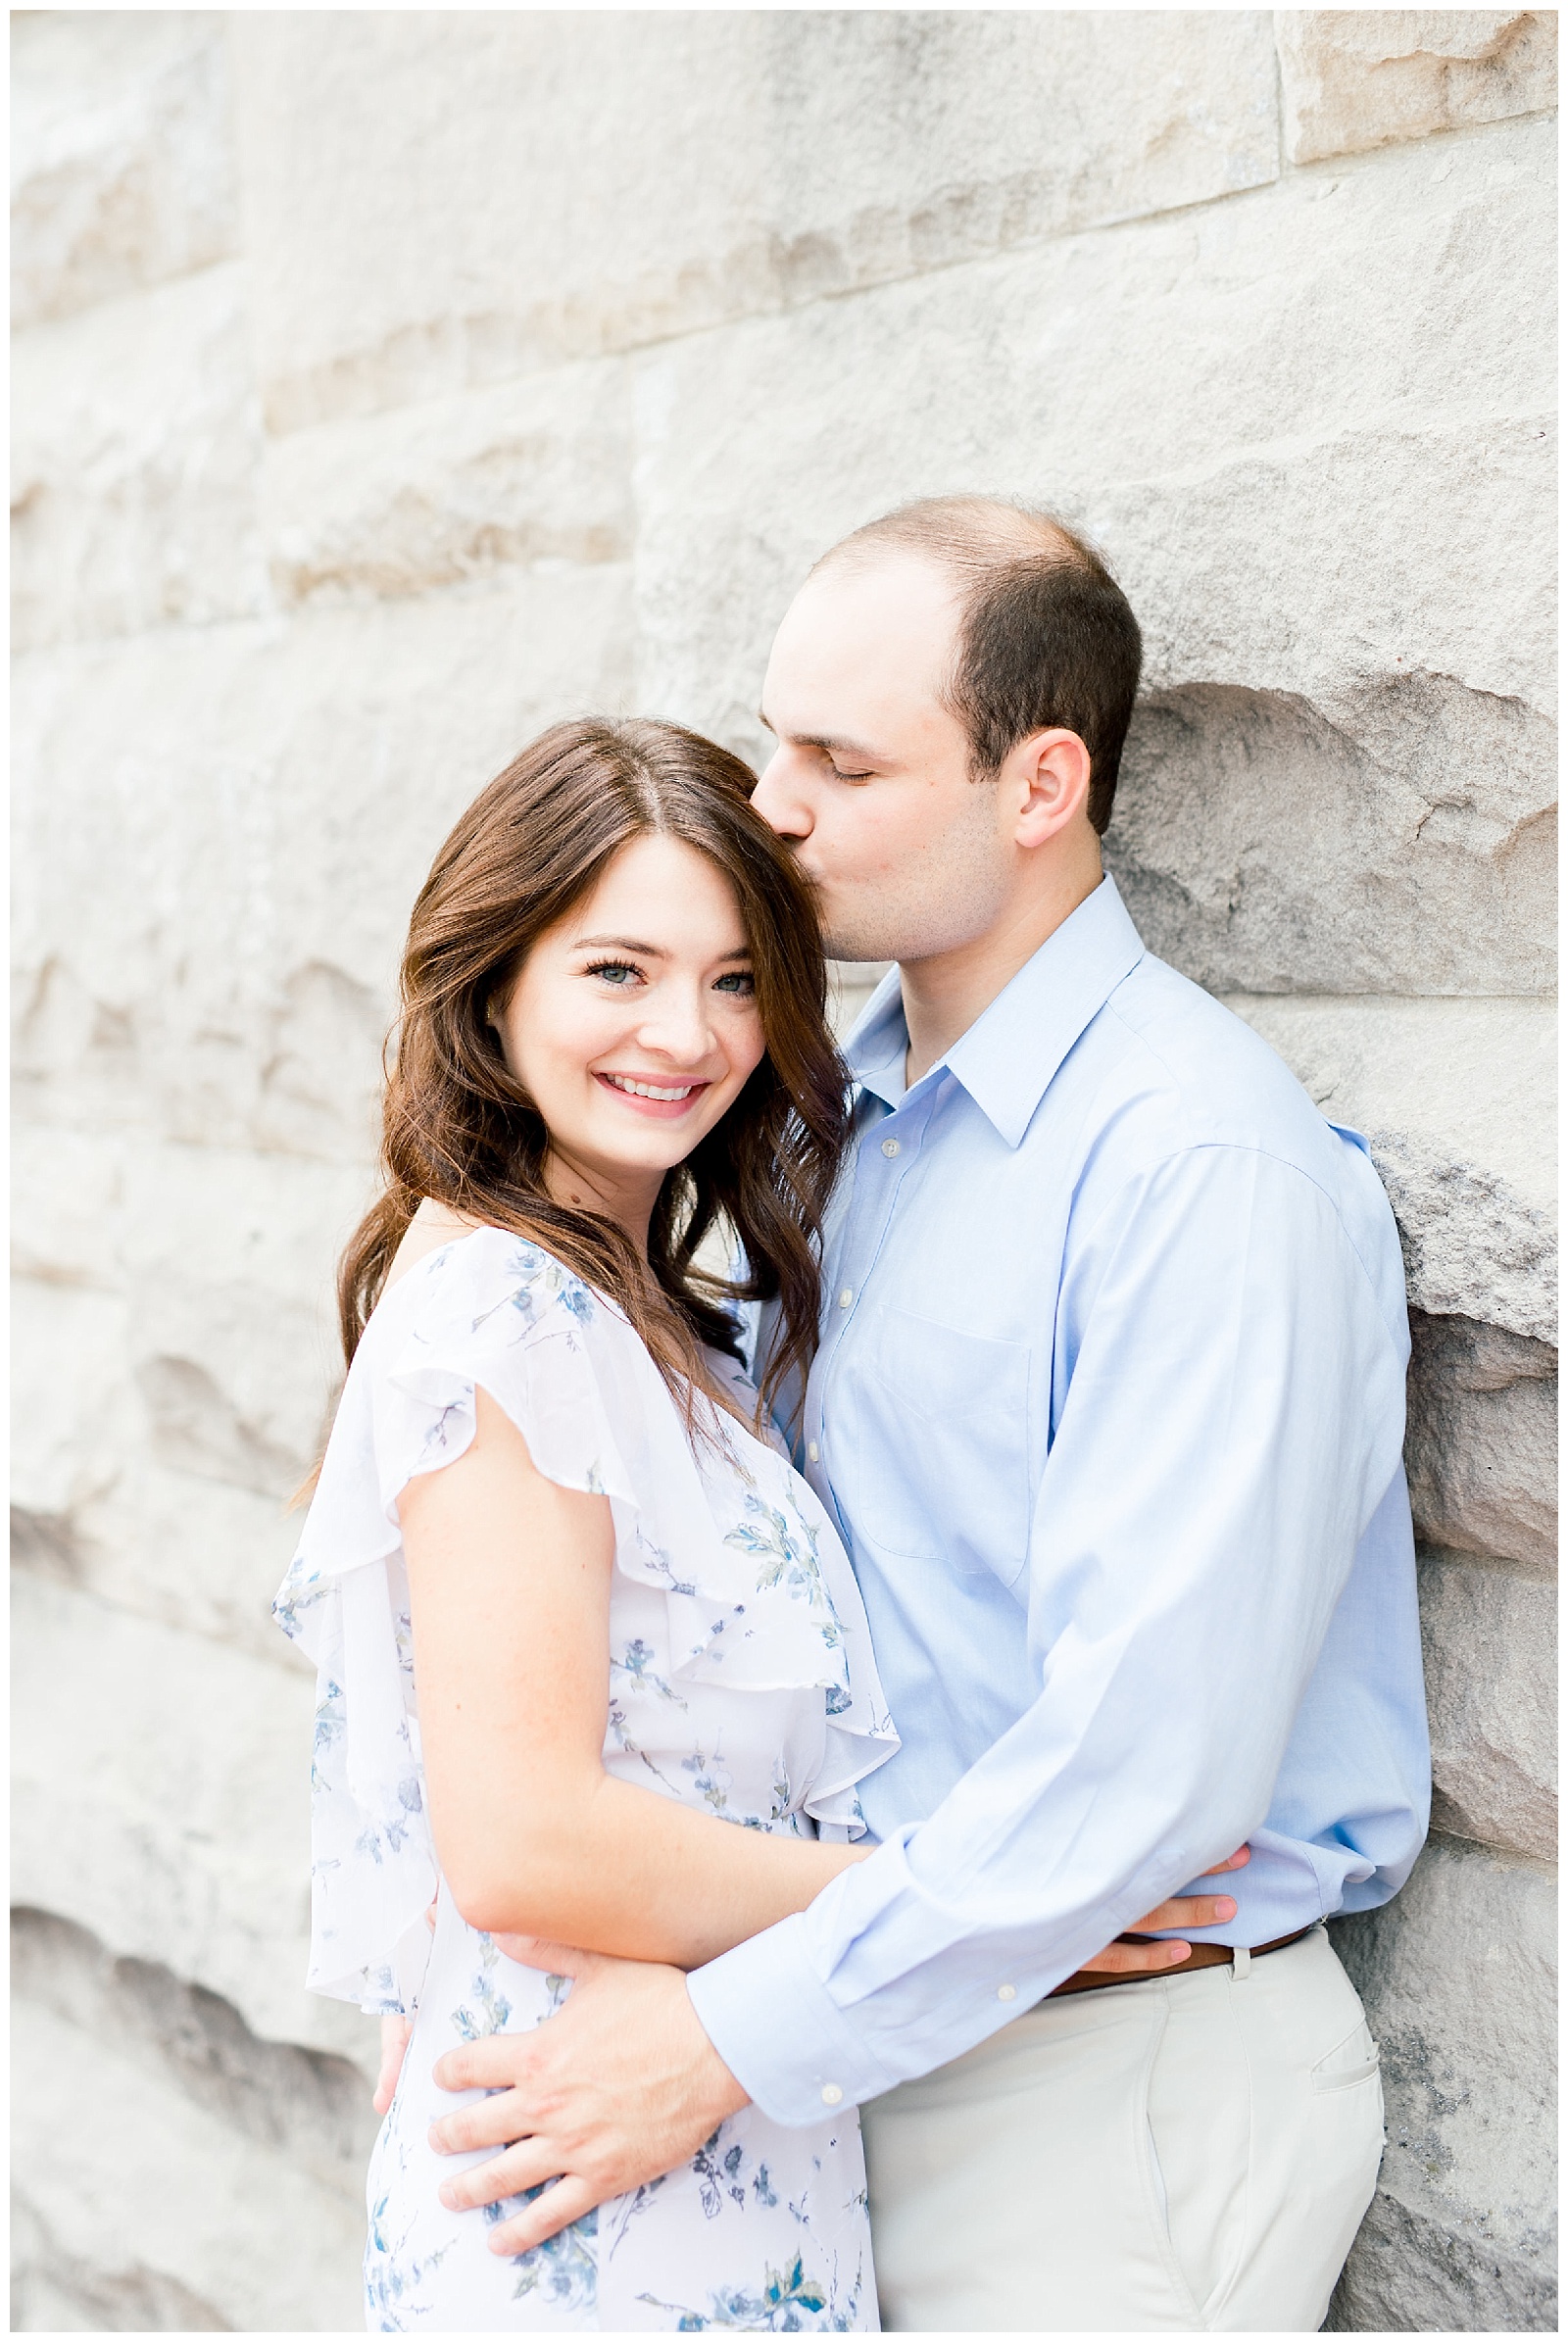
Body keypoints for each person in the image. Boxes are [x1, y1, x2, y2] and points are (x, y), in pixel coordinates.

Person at [416, 503, 1431, 2333]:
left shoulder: (1199, 1169)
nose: (774, 802)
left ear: (1040, 784)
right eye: (778, 734)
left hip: (1099, 2085)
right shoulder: (830, 1121)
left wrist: (725, 2032)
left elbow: (1147, 1771)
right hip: (873, 2036)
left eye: (844, 759)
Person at [275, 713, 1241, 2332]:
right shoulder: (506, 1313)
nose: (687, 1032)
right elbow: (522, 1842)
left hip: (705, 2146)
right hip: (598, 2186)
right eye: (617, 970)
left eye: (736, 978)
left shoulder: (645, 1304)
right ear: (491, 976)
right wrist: (986, 1904)